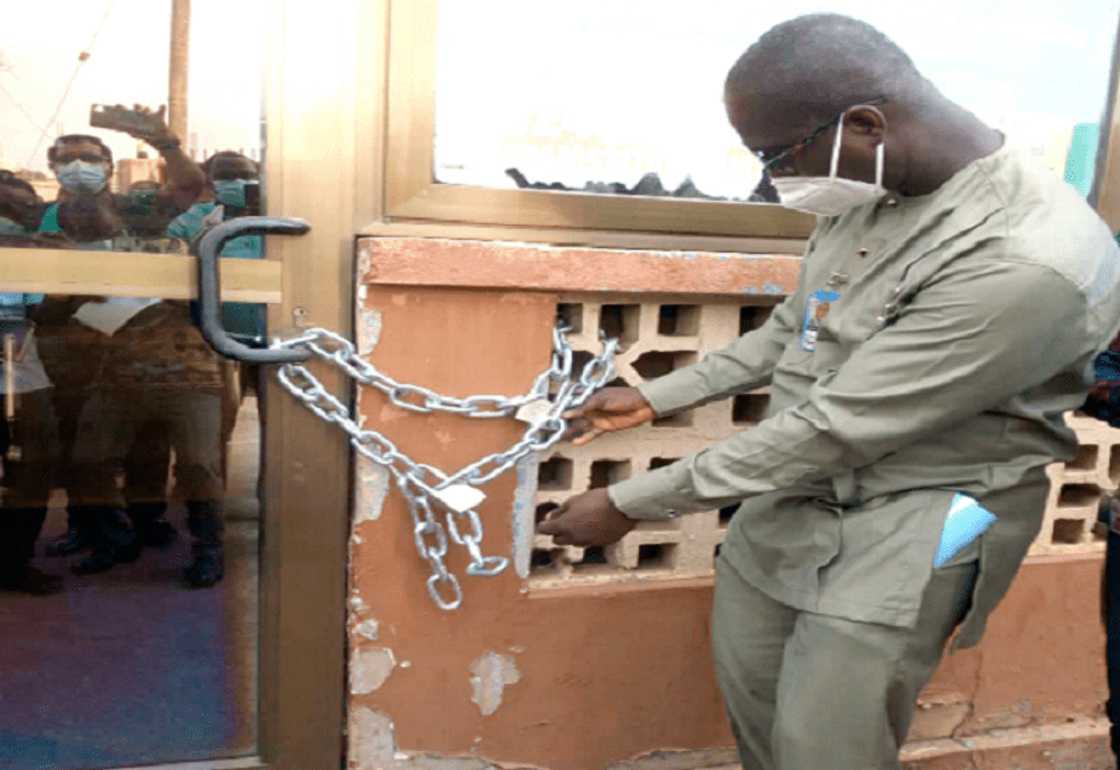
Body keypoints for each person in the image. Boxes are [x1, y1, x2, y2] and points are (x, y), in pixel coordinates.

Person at [539, 14, 1120, 770]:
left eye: (777, 156)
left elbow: (838, 427)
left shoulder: (1026, 258)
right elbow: (796, 330)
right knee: (762, 725)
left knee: (825, 749)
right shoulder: (872, 195)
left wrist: (627, 505)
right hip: (789, 506)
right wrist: (656, 395)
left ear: (866, 125)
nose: (774, 181)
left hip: (922, 520)